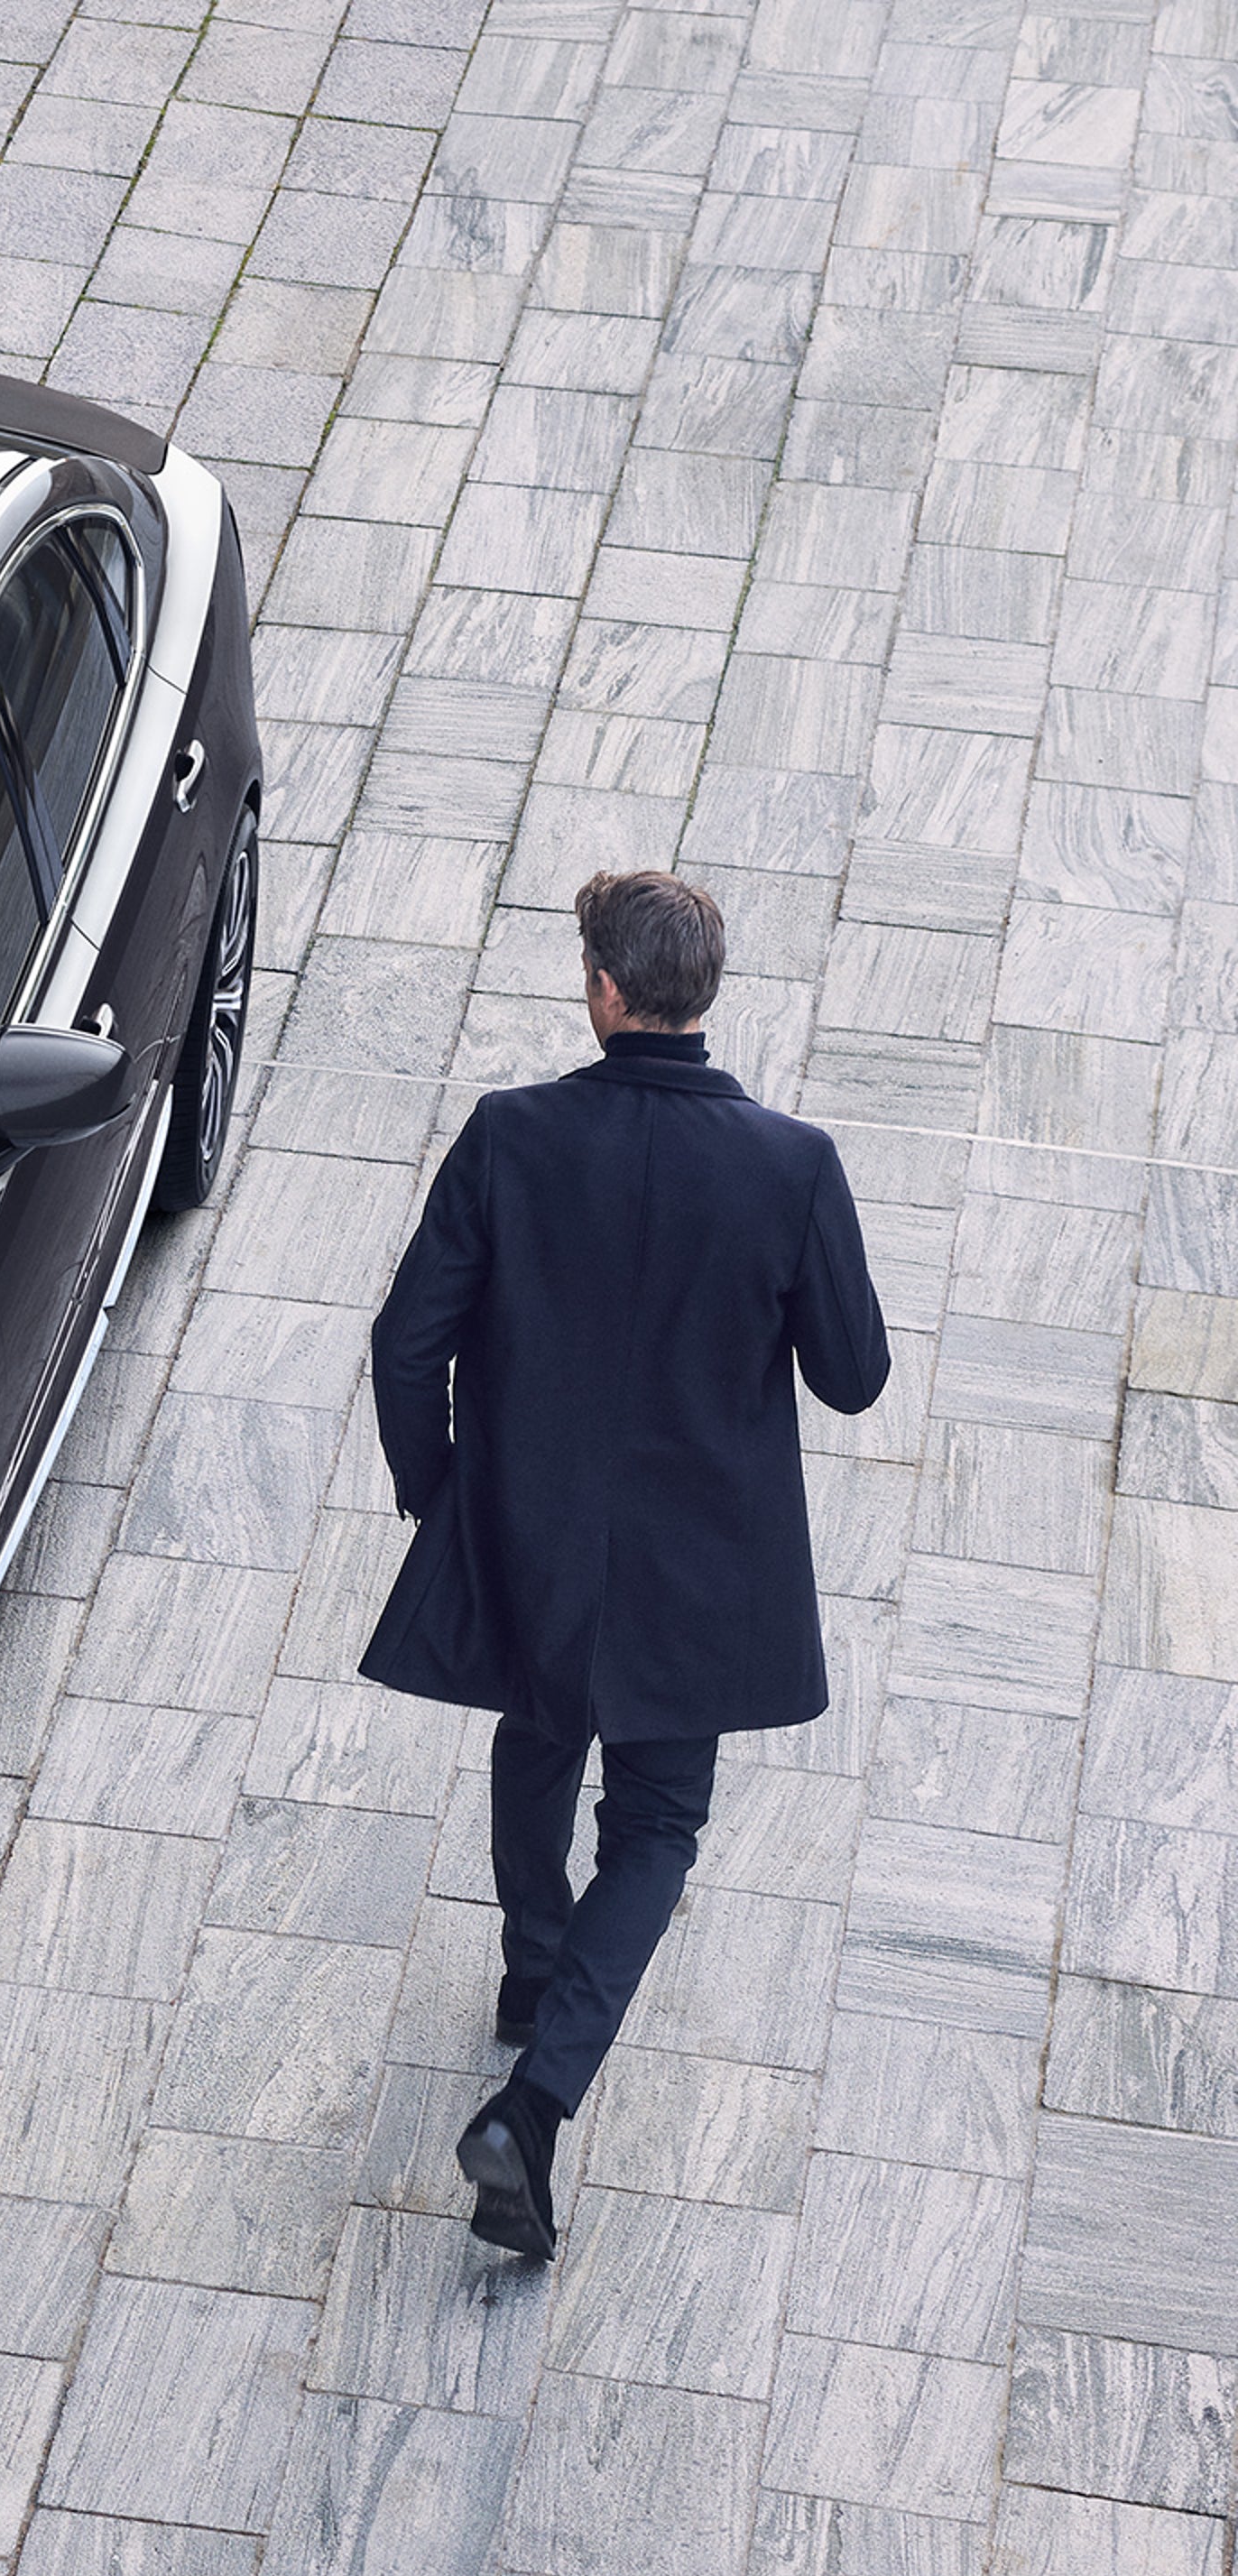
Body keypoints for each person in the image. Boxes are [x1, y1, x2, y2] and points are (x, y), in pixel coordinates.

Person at [360, 869, 889, 2262]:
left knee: (537, 1738)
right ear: (699, 994)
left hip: (530, 1538)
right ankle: (531, 2109)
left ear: (604, 989)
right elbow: (854, 1377)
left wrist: (443, 1499)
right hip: (699, 1575)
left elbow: (406, 1341)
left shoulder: (510, 1138)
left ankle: (536, 1969)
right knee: (656, 1827)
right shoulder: (792, 1166)